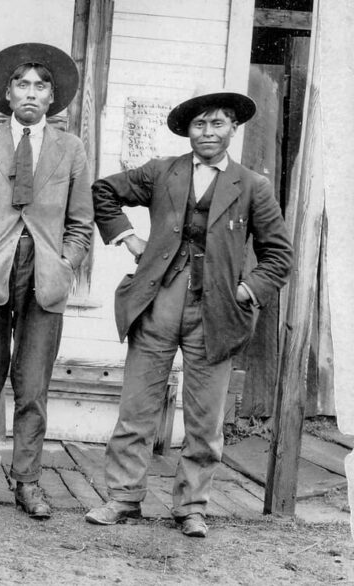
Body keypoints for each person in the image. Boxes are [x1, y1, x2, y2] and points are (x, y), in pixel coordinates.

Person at [85, 89, 292, 537]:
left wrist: (246, 289)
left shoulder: (253, 186)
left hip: (217, 313)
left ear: (233, 128)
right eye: (199, 125)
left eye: (217, 124)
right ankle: (123, 498)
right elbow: (103, 191)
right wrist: (129, 239)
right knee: (137, 409)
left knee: (205, 419)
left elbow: (279, 256)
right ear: (187, 131)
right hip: (158, 302)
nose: (208, 133)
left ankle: (191, 507)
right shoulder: (163, 172)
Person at [0, 43, 93, 516]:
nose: (31, 93)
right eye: (22, 85)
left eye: (41, 86)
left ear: (53, 98)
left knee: (32, 386)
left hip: (44, 276)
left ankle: (28, 481)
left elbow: (80, 223)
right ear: (8, 95)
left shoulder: (70, 149)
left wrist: (65, 262)